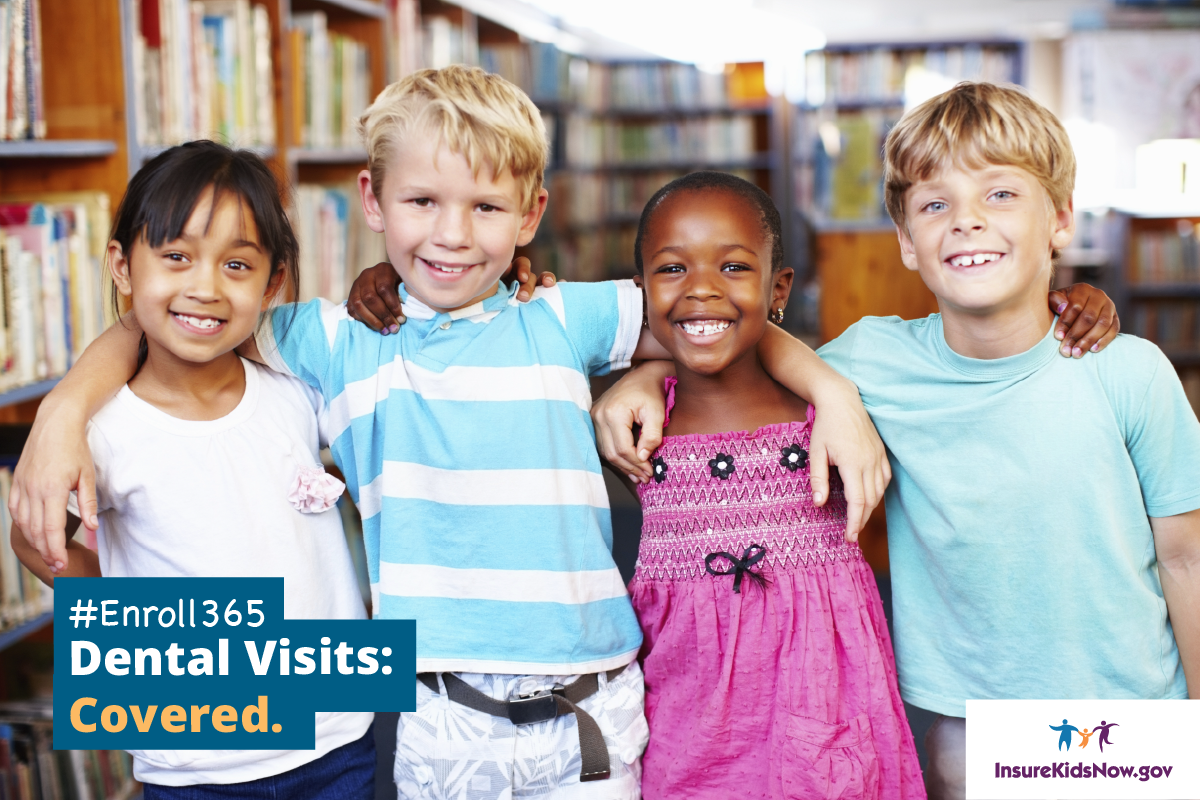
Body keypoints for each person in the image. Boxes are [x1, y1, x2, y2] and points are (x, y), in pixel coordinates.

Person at [12, 67, 890, 799]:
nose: (452, 235)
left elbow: (709, 318)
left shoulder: (560, 315)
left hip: (592, 710)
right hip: (434, 713)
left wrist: (827, 391)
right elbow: (178, 316)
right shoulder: (331, 341)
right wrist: (60, 414)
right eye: (422, 201)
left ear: (532, 214)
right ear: (372, 199)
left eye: (485, 209)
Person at [590, 82, 1199, 800]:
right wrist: (654, 371)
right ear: (907, 243)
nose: (967, 222)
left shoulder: (1129, 372)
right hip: (971, 728)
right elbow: (735, 343)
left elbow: (1185, 557)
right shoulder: (871, 364)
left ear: (1060, 219)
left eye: (1000, 195)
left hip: (1133, 721)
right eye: (936, 205)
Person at [8, 142, 376, 798]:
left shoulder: (297, 389)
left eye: (237, 264)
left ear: (272, 284)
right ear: (122, 266)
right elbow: (37, 538)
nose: (204, 287)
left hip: (338, 739)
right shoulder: (104, 430)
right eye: (176, 256)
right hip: (195, 767)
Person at [622, 170, 924, 799]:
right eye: (672, 269)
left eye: (734, 267)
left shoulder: (832, 414)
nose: (702, 289)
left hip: (827, 730)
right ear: (640, 293)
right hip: (686, 740)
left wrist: (1076, 297)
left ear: (777, 286)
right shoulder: (637, 430)